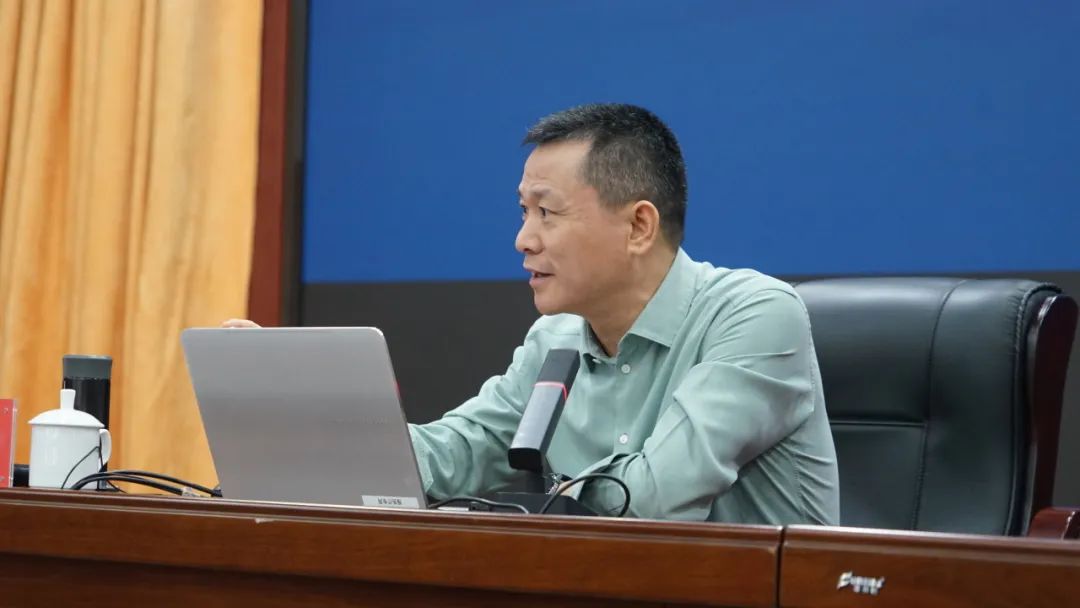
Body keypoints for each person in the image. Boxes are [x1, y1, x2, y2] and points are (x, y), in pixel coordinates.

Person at [226, 103, 839, 524]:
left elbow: (655, 499)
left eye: (547, 212)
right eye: (524, 211)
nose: (524, 239)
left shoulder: (755, 316)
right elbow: (457, 450)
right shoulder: (556, 338)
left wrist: (551, 494)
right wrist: (311, 422)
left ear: (638, 226)